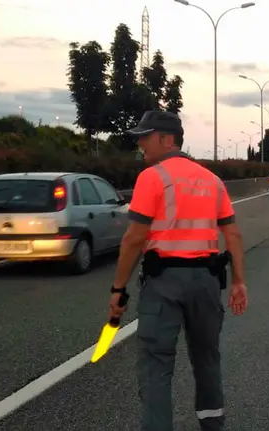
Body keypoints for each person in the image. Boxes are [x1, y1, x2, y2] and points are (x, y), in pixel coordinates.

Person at [108, 110, 248, 431]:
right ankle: (213, 425)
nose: (140, 144)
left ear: (166, 139)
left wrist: (119, 289)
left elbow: (134, 239)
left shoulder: (152, 177)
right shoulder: (212, 180)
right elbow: (233, 234)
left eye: (145, 137)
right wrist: (239, 281)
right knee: (207, 359)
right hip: (207, 282)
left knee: (156, 365)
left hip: (164, 282)